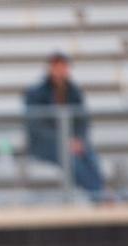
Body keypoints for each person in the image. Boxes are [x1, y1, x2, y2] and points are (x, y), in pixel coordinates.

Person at [23, 51, 108, 202]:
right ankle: (99, 197)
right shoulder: (35, 94)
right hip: (46, 145)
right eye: (57, 67)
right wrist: (64, 140)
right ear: (50, 69)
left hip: (71, 142)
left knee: (90, 156)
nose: (60, 71)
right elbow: (37, 127)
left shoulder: (75, 92)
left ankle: (101, 193)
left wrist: (78, 140)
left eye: (63, 67)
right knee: (71, 160)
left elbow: (82, 122)